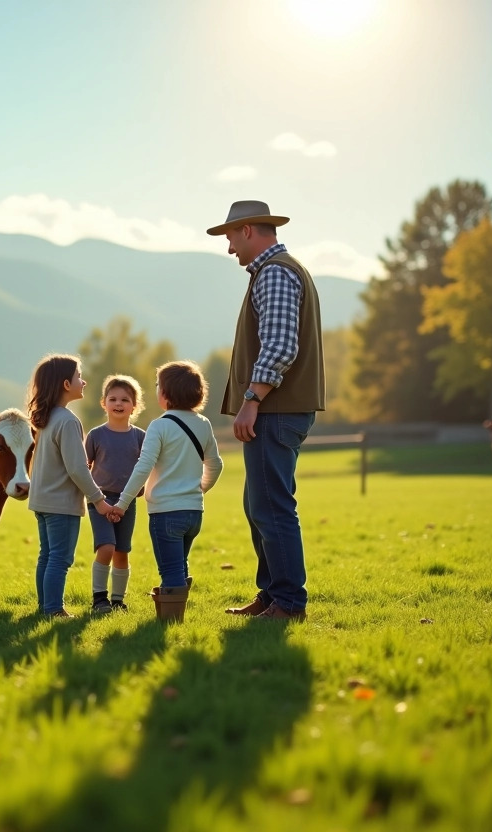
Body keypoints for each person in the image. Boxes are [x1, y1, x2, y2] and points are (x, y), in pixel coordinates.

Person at [207, 200, 325, 622]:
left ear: (249, 231)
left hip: (274, 410)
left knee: (271, 506)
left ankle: (289, 603)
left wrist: (251, 401)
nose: (229, 248)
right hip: (277, 410)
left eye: (231, 238)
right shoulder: (278, 270)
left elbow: (279, 346)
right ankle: (273, 595)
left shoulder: (275, 273)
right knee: (261, 505)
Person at [110, 362, 223, 603]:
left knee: (171, 572)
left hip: (166, 513)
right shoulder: (203, 424)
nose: (156, 389)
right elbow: (216, 464)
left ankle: (171, 623)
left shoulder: (160, 426)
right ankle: (175, 615)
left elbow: (143, 467)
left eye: (158, 385)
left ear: (166, 394)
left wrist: (122, 503)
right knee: (179, 566)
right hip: (194, 512)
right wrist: (201, 488)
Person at [26, 354, 116, 618]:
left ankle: (45, 607)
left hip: (42, 501)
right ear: (66, 384)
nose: (83, 381)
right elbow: (76, 468)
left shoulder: (48, 418)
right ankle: (53, 610)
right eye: (79, 376)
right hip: (60, 504)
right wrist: (98, 499)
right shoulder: (67, 420)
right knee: (60, 558)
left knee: (47, 555)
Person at [84, 375, 146, 614]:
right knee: (106, 547)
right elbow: (83, 468)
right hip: (100, 500)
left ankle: (118, 601)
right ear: (104, 403)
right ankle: (99, 598)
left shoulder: (140, 436)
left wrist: (135, 493)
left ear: (135, 406)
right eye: (113, 399)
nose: (118, 403)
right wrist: (97, 498)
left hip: (127, 501)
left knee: (122, 551)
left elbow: (146, 467)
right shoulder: (96, 435)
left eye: (125, 399)